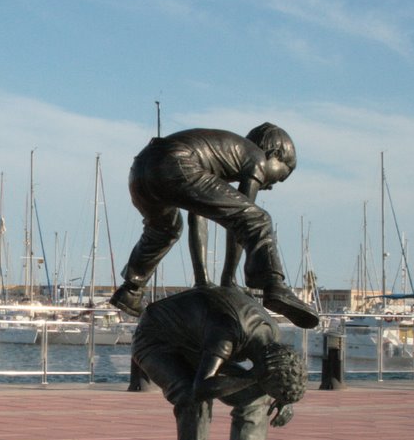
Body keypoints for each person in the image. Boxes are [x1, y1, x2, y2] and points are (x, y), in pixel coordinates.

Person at [109, 124, 319, 329]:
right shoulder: (256, 157)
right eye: (281, 176)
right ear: (275, 154)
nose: (272, 186)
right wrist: (228, 280)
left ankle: (131, 290)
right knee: (258, 219)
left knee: (164, 230)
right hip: (174, 162)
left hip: (141, 169)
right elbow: (241, 220)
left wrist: (203, 282)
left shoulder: (219, 156)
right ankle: (274, 285)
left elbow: (197, 218)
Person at [131, 285, 308, 440]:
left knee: (256, 397)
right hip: (155, 339)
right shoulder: (228, 332)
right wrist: (254, 377)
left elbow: (271, 374)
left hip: (197, 340)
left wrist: (280, 396)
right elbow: (201, 387)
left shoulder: (270, 334)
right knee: (192, 399)